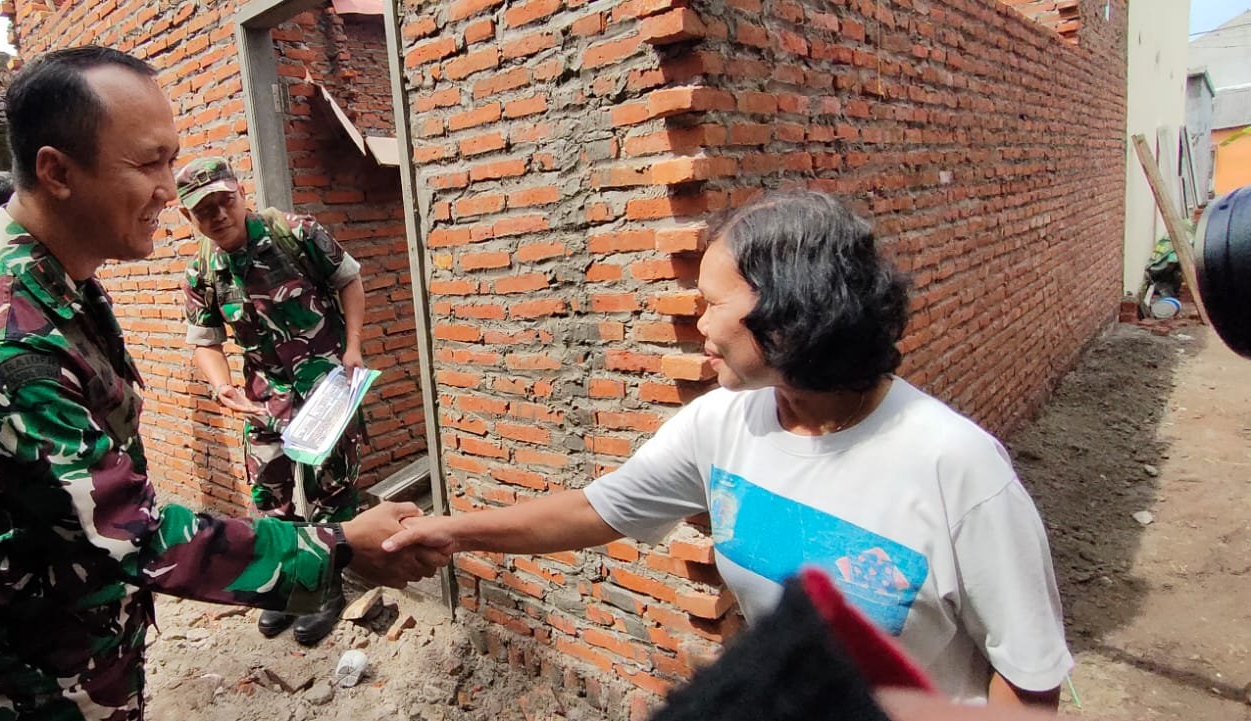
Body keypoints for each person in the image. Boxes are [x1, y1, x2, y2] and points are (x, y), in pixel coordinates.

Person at [0, 46, 447, 721]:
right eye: (149, 163)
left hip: (72, 655)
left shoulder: (58, 289)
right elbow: (132, 532)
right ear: (57, 170)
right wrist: (340, 549)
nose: (170, 191)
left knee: (331, 484)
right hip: (20, 688)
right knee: (278, 491)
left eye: (174, 162)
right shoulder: (10, 341)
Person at [383, 191, 1074, 708]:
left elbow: (1031, 685)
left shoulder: (958, 467)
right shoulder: (722, 424)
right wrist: (450, 529)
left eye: (714, 301)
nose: (697, 319)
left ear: (792, 313)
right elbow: (599, 510)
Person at [177, 156, 370, 645]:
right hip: (266, 398)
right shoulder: (202, 271)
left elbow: (349, 279)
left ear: (241, 193)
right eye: (205, 210)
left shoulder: (295, 233)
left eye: (225, 201)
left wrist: (352, 347)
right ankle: (289, 588)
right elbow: (204, 341)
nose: (218, 215)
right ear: (190, 219)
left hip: (327, 386)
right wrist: (222, 385)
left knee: (331, 492)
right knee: (271, 496)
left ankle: (326, 590)